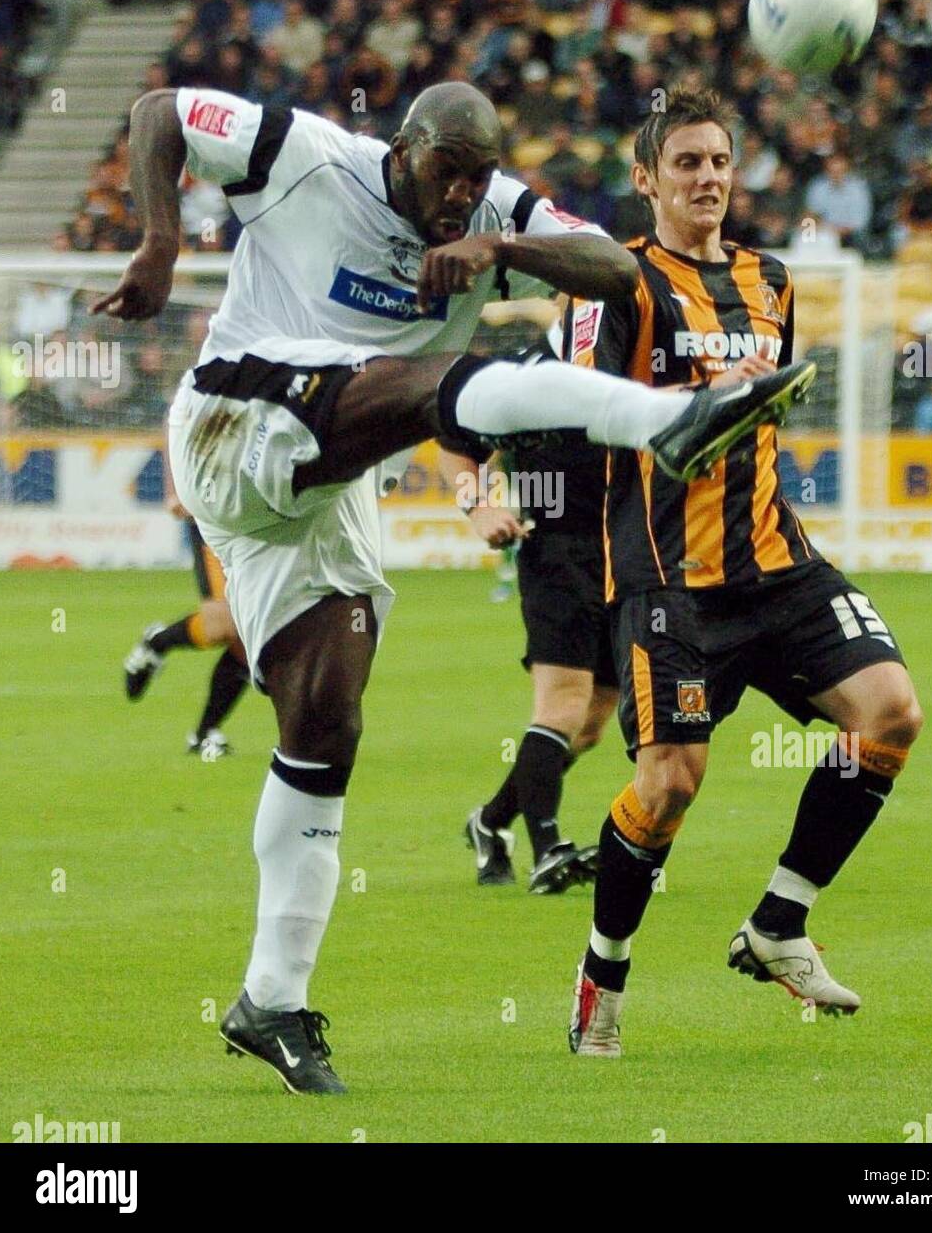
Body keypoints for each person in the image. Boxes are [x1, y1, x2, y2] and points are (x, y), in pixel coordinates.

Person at [92, 80, 813, 1095]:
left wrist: (502, 245)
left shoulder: (492, 212)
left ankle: (271, 1000)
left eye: (478, 177)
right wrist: (161, 241)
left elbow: (612, 267)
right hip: (235, 415)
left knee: (326, 720)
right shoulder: (306, 153)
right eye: (448, 173)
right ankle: (665, 420)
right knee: (443, 384)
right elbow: (159, 108)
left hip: (325, 476)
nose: (461, 194)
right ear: (405, 146)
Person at [564, 87, 922, 1057]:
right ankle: (604, 972)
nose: (707, 177)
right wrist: (695, 394)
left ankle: (778, 923)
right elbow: (581, 408)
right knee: (669, 785)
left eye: (719, 160)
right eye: (685, 162)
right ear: (646, 178)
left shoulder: (771, 280)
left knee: (891, 712)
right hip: (668, 579)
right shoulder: (616, 283)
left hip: (778, 562)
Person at [451, 321, 617, 895]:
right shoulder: (522, 373)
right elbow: (455, 439)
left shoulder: (638, 354)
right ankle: (548, 847)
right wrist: (477, 506)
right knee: (563, 705)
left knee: (594, 722)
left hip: (630, 556)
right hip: (557, 551)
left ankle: (490, 821)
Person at [123, 460, 250, 759]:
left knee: (250, 635)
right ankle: (159, 641)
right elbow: (174, 417)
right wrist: (172, 488)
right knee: (225, 627)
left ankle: (204, 733)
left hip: (265, 513)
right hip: (215, 511)